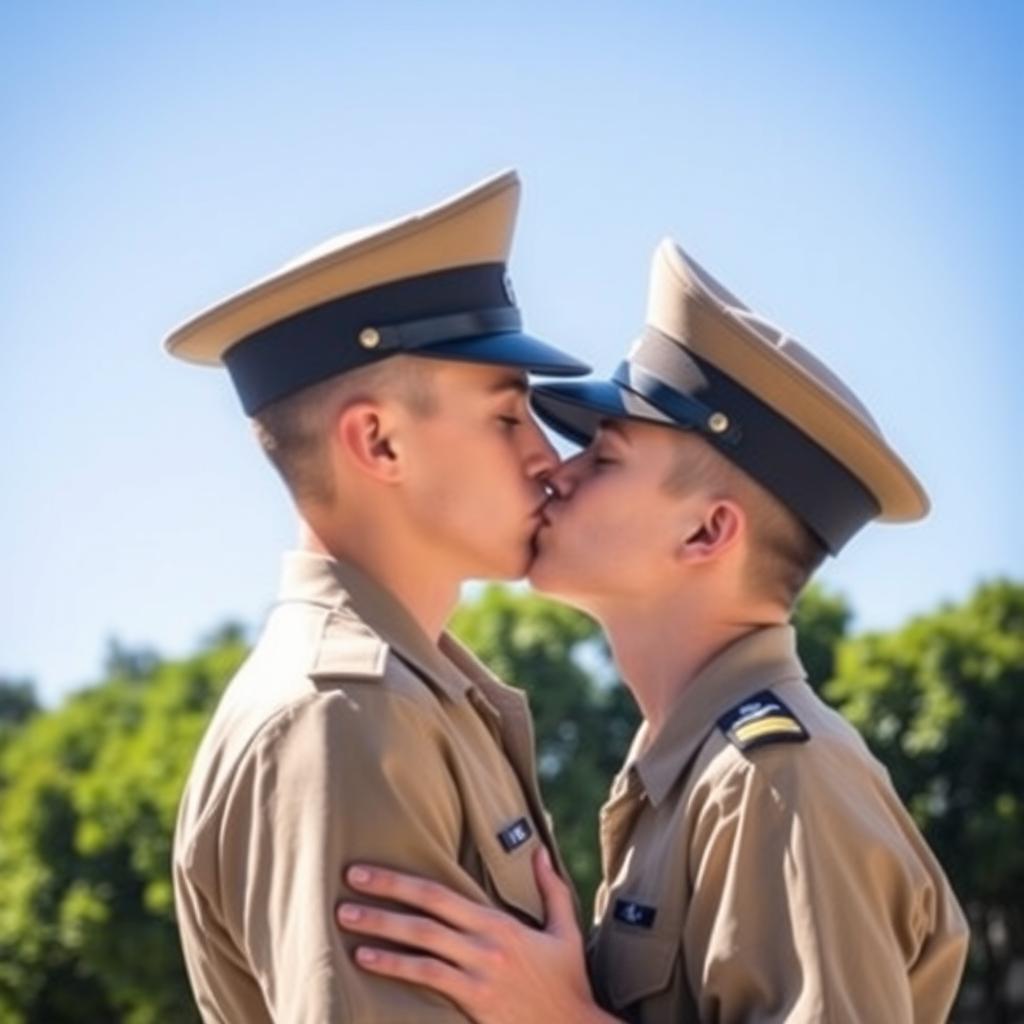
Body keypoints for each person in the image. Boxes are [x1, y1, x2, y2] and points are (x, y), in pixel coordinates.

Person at [334, 238, 970, 1022]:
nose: (556, 471)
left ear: (706, 535)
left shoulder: (776, 782)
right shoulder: (689, 767)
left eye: (606, 460)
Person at [168, 170, 592, 1022]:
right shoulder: (346, 715)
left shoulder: (409, 695)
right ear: (379, 441)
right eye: (508, 418)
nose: (549, 456)